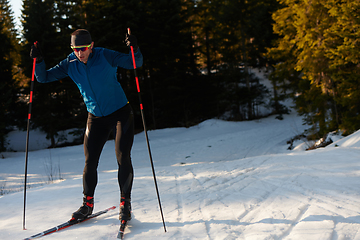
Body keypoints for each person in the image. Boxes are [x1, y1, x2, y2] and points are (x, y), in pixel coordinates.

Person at [30, 29, 143, 224]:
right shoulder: (70, 63)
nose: (79, 53)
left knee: (122, 156)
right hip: (95, 117)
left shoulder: (105, 55)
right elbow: (43, 78)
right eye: (75, 49)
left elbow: (135, 62)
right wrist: (38, 61)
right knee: (90, 161)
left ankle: (126, 204)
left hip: (120, 113)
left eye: (83, 48)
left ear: (91, 46)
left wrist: (135, 47)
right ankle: (87, 204)